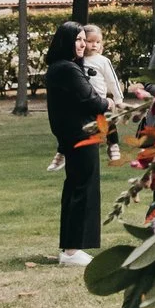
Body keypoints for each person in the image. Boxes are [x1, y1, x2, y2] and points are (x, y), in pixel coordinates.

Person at [45, 23, 108, 267]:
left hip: (72, 135)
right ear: (66, 41)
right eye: (77, 39)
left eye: (84, 39)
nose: (82, 44)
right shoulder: (68, 69)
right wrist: (108, 103)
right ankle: (72, 251)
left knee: (75, 187)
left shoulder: (58, 67)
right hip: (81, 134)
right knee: (84, 188)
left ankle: (70, 248)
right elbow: (91, 100)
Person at [78, 24, 127, 164]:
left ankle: (113, 144)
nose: (94, 45)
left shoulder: (103, 61)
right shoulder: (77, 60)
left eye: (97, 42)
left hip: (100, 100)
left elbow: (112, 80)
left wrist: (118, 99)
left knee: (108, 121)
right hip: (84, 101)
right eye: (90, 41)